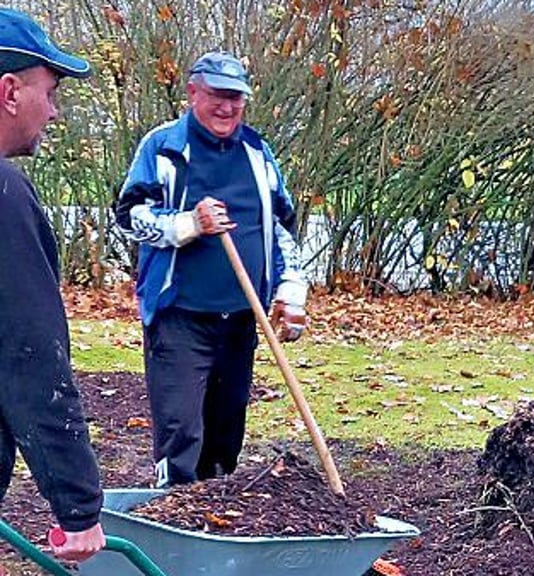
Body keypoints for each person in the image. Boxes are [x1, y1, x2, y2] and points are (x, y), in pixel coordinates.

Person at [115, 51, 308, 488]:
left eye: (236, 97)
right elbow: (128, 216)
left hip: (242, 317)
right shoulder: (163, 147)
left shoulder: (258, 152)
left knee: (226, 433)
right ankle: (172, 518)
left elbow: (281, 227)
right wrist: (187, 224)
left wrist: (291, 291)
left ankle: (216, 523)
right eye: (218, 95)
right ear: (192, 93)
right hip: (180, 315)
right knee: (182, 430)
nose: (227, 107)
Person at [0, 7, 106, 563]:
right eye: (52, 90)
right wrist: (78, 507)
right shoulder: (4, 197)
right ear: (9, 91)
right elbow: (29, 356)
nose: (55, 111)